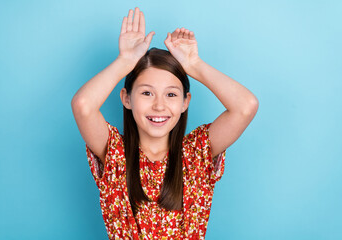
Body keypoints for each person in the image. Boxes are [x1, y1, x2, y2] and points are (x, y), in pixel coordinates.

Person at [71, 6, 258, 240]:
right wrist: (125, 61)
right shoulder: (116, 154)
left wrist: (194, 65)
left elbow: (245, 106)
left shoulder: (196, 153)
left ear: (185, 102)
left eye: (171, 94)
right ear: (126, 98)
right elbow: (83, 105)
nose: (159, 106)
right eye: (147, 93)